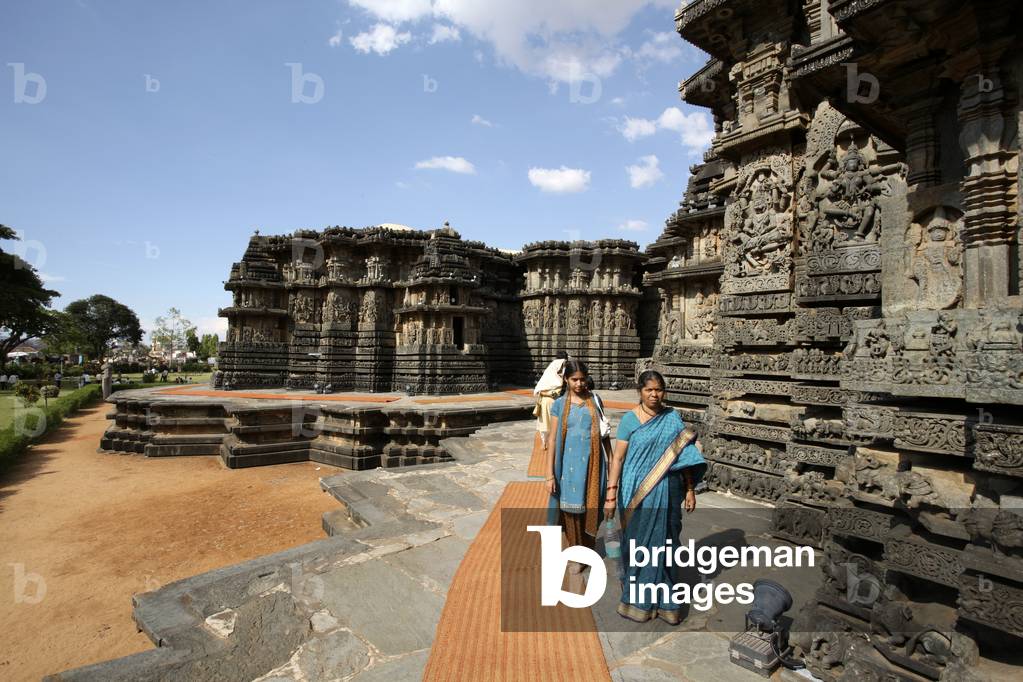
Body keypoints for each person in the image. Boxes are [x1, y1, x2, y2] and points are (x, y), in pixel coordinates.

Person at [604, 369, 706, 624]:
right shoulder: (629, 420)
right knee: (639, 545)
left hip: (669, 491)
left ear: (664, 391)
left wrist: (690, 489)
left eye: (658, 389)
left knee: (666, 544)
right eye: (649, 390)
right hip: (635, 492)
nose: (654, 394)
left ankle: (666, 604)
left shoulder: (672, 418)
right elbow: (618, 458)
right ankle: (637, 602)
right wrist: (611, 493)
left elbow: (684, 456)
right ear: (640, 392)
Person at [544, 359, 611, 573]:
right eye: (574, 379)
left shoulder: (595, 400)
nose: (580, 384)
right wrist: (549, 475)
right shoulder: (559, 405)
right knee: (570, 511)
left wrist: (611, 467)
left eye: (582, 379)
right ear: (566, 379)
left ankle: (588, 552)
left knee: (591, 509)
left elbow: (605, 434)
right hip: (567, 467)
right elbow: (553, 439)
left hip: (593, 465)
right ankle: (576, 554)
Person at [533, 351, 568, 449]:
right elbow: (553, 392)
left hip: (551, 401)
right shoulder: (554, 374)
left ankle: (549, 442)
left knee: (551, 422)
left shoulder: (551, 370)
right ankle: (545, 442)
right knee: (546, 422)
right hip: (549, 401)